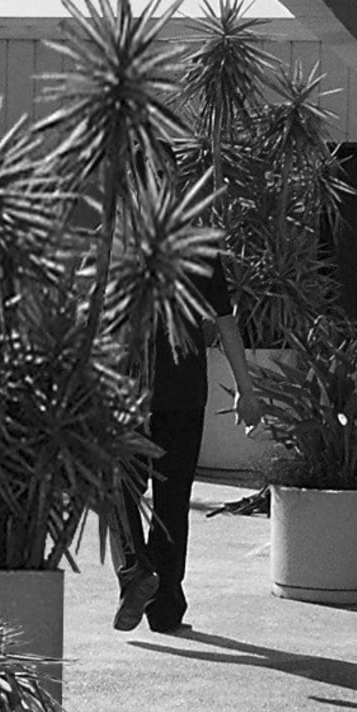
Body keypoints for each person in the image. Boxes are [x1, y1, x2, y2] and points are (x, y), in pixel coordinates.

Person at [114, 266, 257, 634]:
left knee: (119, 484)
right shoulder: (199, 245)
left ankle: (137, 570)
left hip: (127, 390)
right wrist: (245, 388)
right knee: (172, 499)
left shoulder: (120, 237)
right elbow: (225, 322)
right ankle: (165, 609)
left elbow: (91, 307)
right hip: (182, 391)